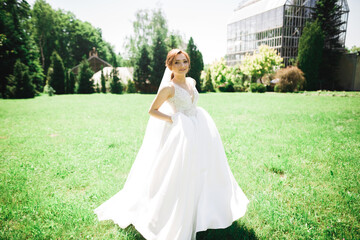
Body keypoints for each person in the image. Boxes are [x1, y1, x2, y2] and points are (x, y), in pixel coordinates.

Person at [94, 49, 249, 240]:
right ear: (169, 66)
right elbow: (152, 110)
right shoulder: (168, 88)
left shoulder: (191, 82)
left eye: (185, 61)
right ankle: (174, 213)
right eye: (177, 62)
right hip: (181, 132)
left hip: (199, 127)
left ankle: (204, 212)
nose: (182, 65)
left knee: (204, 169)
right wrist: (173, 120)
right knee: (179, 173)